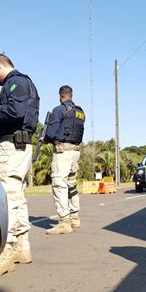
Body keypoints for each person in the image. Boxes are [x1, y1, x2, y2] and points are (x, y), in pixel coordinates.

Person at [0, 53, 39, 277]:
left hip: (12, 145)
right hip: (19, 145)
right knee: (17, 196)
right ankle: (22, 247)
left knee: (8, 195)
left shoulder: (16, 82)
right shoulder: (22, 82)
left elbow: (16, 111)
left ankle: (8, 249)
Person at [43, 85, 85, 235]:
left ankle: (64, 222)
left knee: (59, 184)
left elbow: (51, 133)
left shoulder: (59, 110)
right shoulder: (80, 112)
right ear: (71, 96)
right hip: (75, 152)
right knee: (71, 184)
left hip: (63, 153)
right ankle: (74, 217)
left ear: (60, 96)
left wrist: (44, 139)